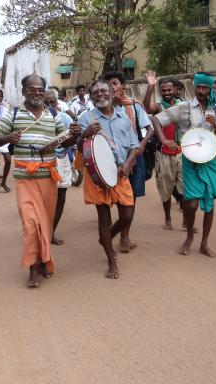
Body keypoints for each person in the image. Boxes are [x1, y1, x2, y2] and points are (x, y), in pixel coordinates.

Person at [0, 74, 80, 288]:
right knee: (31, 224)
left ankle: (42, 261)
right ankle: (33, 267)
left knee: (45, 224)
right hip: (25, 179)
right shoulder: (13, 114)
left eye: (40, 89)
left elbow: (64, 140)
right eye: (32, 89)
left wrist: (74, 135)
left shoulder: (53, 114)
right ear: (23, 91)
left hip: (48, 177)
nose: (36, 93)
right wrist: (7, 138)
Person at [152, 72, 216, 257]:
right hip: (189, 160)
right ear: (194, 87)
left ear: (211, 88)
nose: (201, 91)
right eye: (199, 87)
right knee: (192, 204)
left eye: (205, 88)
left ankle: (204, 244)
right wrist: (163, 140)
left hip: (210, 161)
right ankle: (189, 237)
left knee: (209, 204)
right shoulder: (184, 107)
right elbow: (156, 119)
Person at [77, 79, 138, 279]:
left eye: (104, 91)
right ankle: (111, 260)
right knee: (104, 216)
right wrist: (84, 134)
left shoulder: (123, 117)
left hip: (121, 173)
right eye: (96, 92)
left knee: (127, 215)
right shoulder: (86, 118)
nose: (100, 94)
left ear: (112, 93)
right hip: (97, 175)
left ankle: (107, 238)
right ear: (91, 96)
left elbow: (134, 146)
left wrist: (129, 163)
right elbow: (78, 146)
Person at [103, 70, 154, 253]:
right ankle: (109, 231)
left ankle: (124, 235)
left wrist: (141, 145)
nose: (112, 87)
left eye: (115, 83)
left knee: (130, 198)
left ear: (123, 86)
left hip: (133, 159)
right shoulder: (102, 108)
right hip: (109, 161)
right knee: (110, 196)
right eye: (108, 84)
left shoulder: (134, 106)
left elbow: (150, 129)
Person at [143, 70, 184, 230]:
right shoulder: (159, 107)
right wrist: (150, 87)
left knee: (185, 188)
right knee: (166, 189)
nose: (167, 93)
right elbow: (147, 106)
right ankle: (168, 218)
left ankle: (186, 219)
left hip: (182, 152)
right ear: (160, 91)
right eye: (164, 90)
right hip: (163, 153)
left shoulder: (183, 106)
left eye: (169, 90)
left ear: (175, 90)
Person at [43, 89, 74, 245]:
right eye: (46, 102)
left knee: (61, 197)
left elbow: (73, 138)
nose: (49, 105)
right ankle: (44, 231)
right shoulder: (38, 120)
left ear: (57, 102)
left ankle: (51, 232)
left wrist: (74, 136)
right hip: (44, 163)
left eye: (52, 102)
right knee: (46, 199)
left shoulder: (65, 118)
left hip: (62, 161)